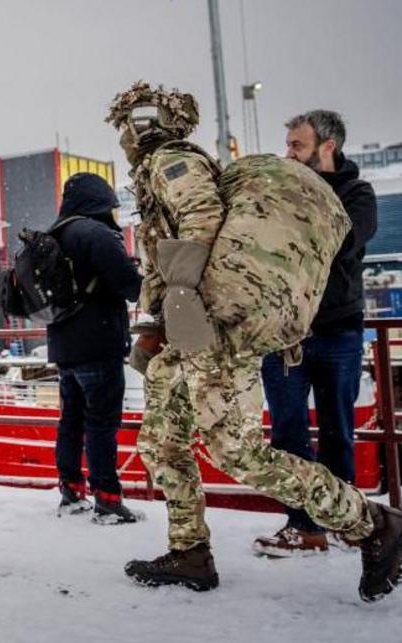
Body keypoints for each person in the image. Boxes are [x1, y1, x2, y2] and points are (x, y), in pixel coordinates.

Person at [106, 80, 402, 602]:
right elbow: (168, 250)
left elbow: (200, 220)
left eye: (128, 122)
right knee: (162, 441)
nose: (124, 133)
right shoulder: (158, 169)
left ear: (142, 125)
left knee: (237, 452)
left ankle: (373, 524)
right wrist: (158, 321)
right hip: (191, 328)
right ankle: (190, 551)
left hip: (211, 326)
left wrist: (179, 310)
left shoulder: (171, 160)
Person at [253, 110, 379, 556]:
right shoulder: (279, 192)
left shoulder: (356, 193)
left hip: (339, 331)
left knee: (338, 431)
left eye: (297, 146)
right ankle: (304, 526)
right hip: (283, 335)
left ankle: (347, 520)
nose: (289, 153)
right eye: (287, 145)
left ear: (328, 146)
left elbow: (346, 239)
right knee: (287, 433)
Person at [46, 173, 143, 523]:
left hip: (63, 345)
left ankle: (71, 490)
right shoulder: (97, 234)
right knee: (101, 423)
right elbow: (131, 286)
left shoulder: (54, 234)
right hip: (98, 342)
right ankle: (107, 498)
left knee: (70, 420)